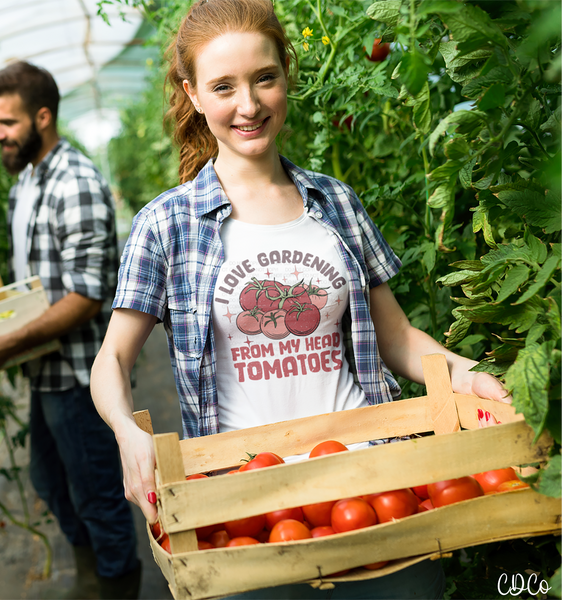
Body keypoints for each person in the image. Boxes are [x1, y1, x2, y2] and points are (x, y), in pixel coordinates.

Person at [90, 0, 509, 597]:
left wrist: (469, 375)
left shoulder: (336, 202)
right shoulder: (166, 224)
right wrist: (128, 434)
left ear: (286, 72)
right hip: (249, 510)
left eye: (264, 78)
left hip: (376, 484)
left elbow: (395, 338)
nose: (249, 105)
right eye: (223, 86)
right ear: (193, 93)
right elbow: (110, 363)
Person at [0, 61, 141, 600]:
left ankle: (114, 583)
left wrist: (3, 344)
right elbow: (34, 284)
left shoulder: (76, 183)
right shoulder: (27, 182)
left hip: (78, 373)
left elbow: (86, 298)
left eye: (7, 123)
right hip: (44, 368)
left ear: (43, 117)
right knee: (50, 482)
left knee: (96, 495)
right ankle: (94, 572)